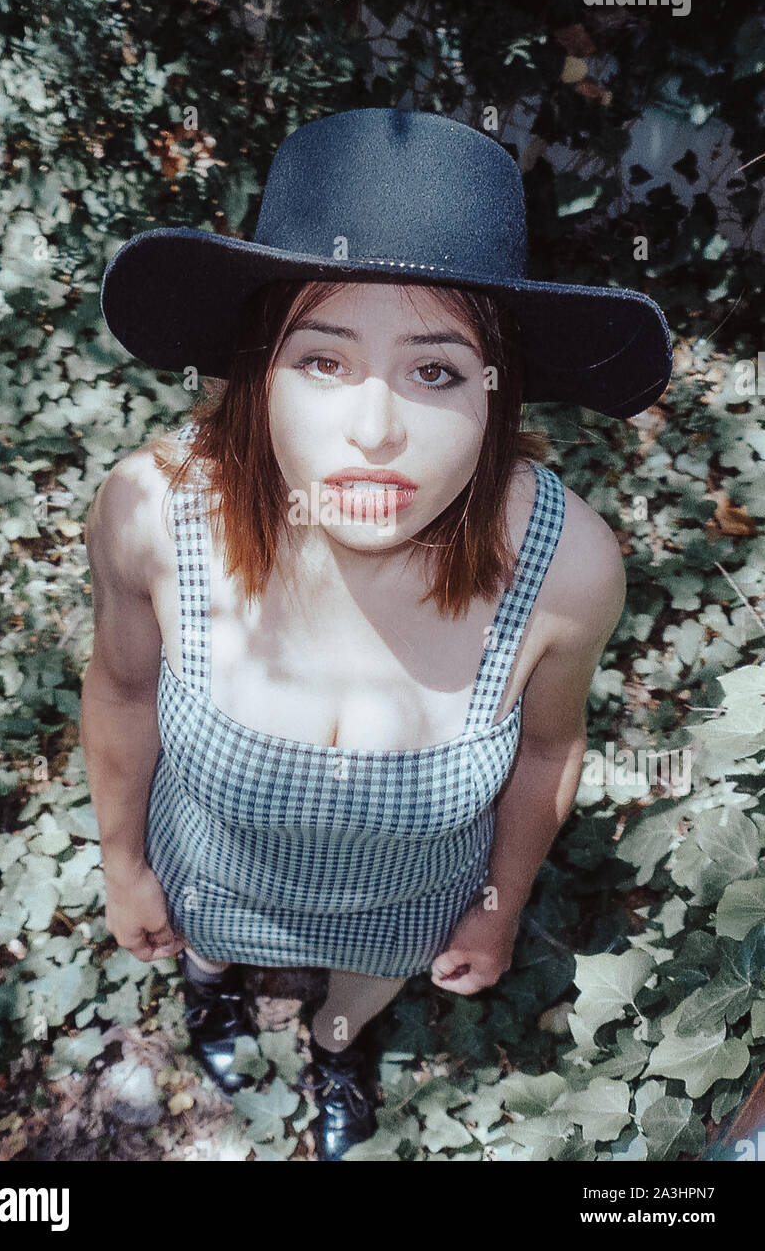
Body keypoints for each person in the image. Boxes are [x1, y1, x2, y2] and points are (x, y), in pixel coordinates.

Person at [83, 108, 672, 1160]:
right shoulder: (151, 513)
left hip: (401, 911)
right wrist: (126, 866)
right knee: (206, 953)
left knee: (354, 999)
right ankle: (213, 997)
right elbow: (123, 690)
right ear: (261, 371)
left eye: (435, 370)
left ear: (497, 394)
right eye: (323, 361)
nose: (374, 430)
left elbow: (547, 747)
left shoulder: (569, 566)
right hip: (210, 877)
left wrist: (494, 908)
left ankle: (336, 1046)